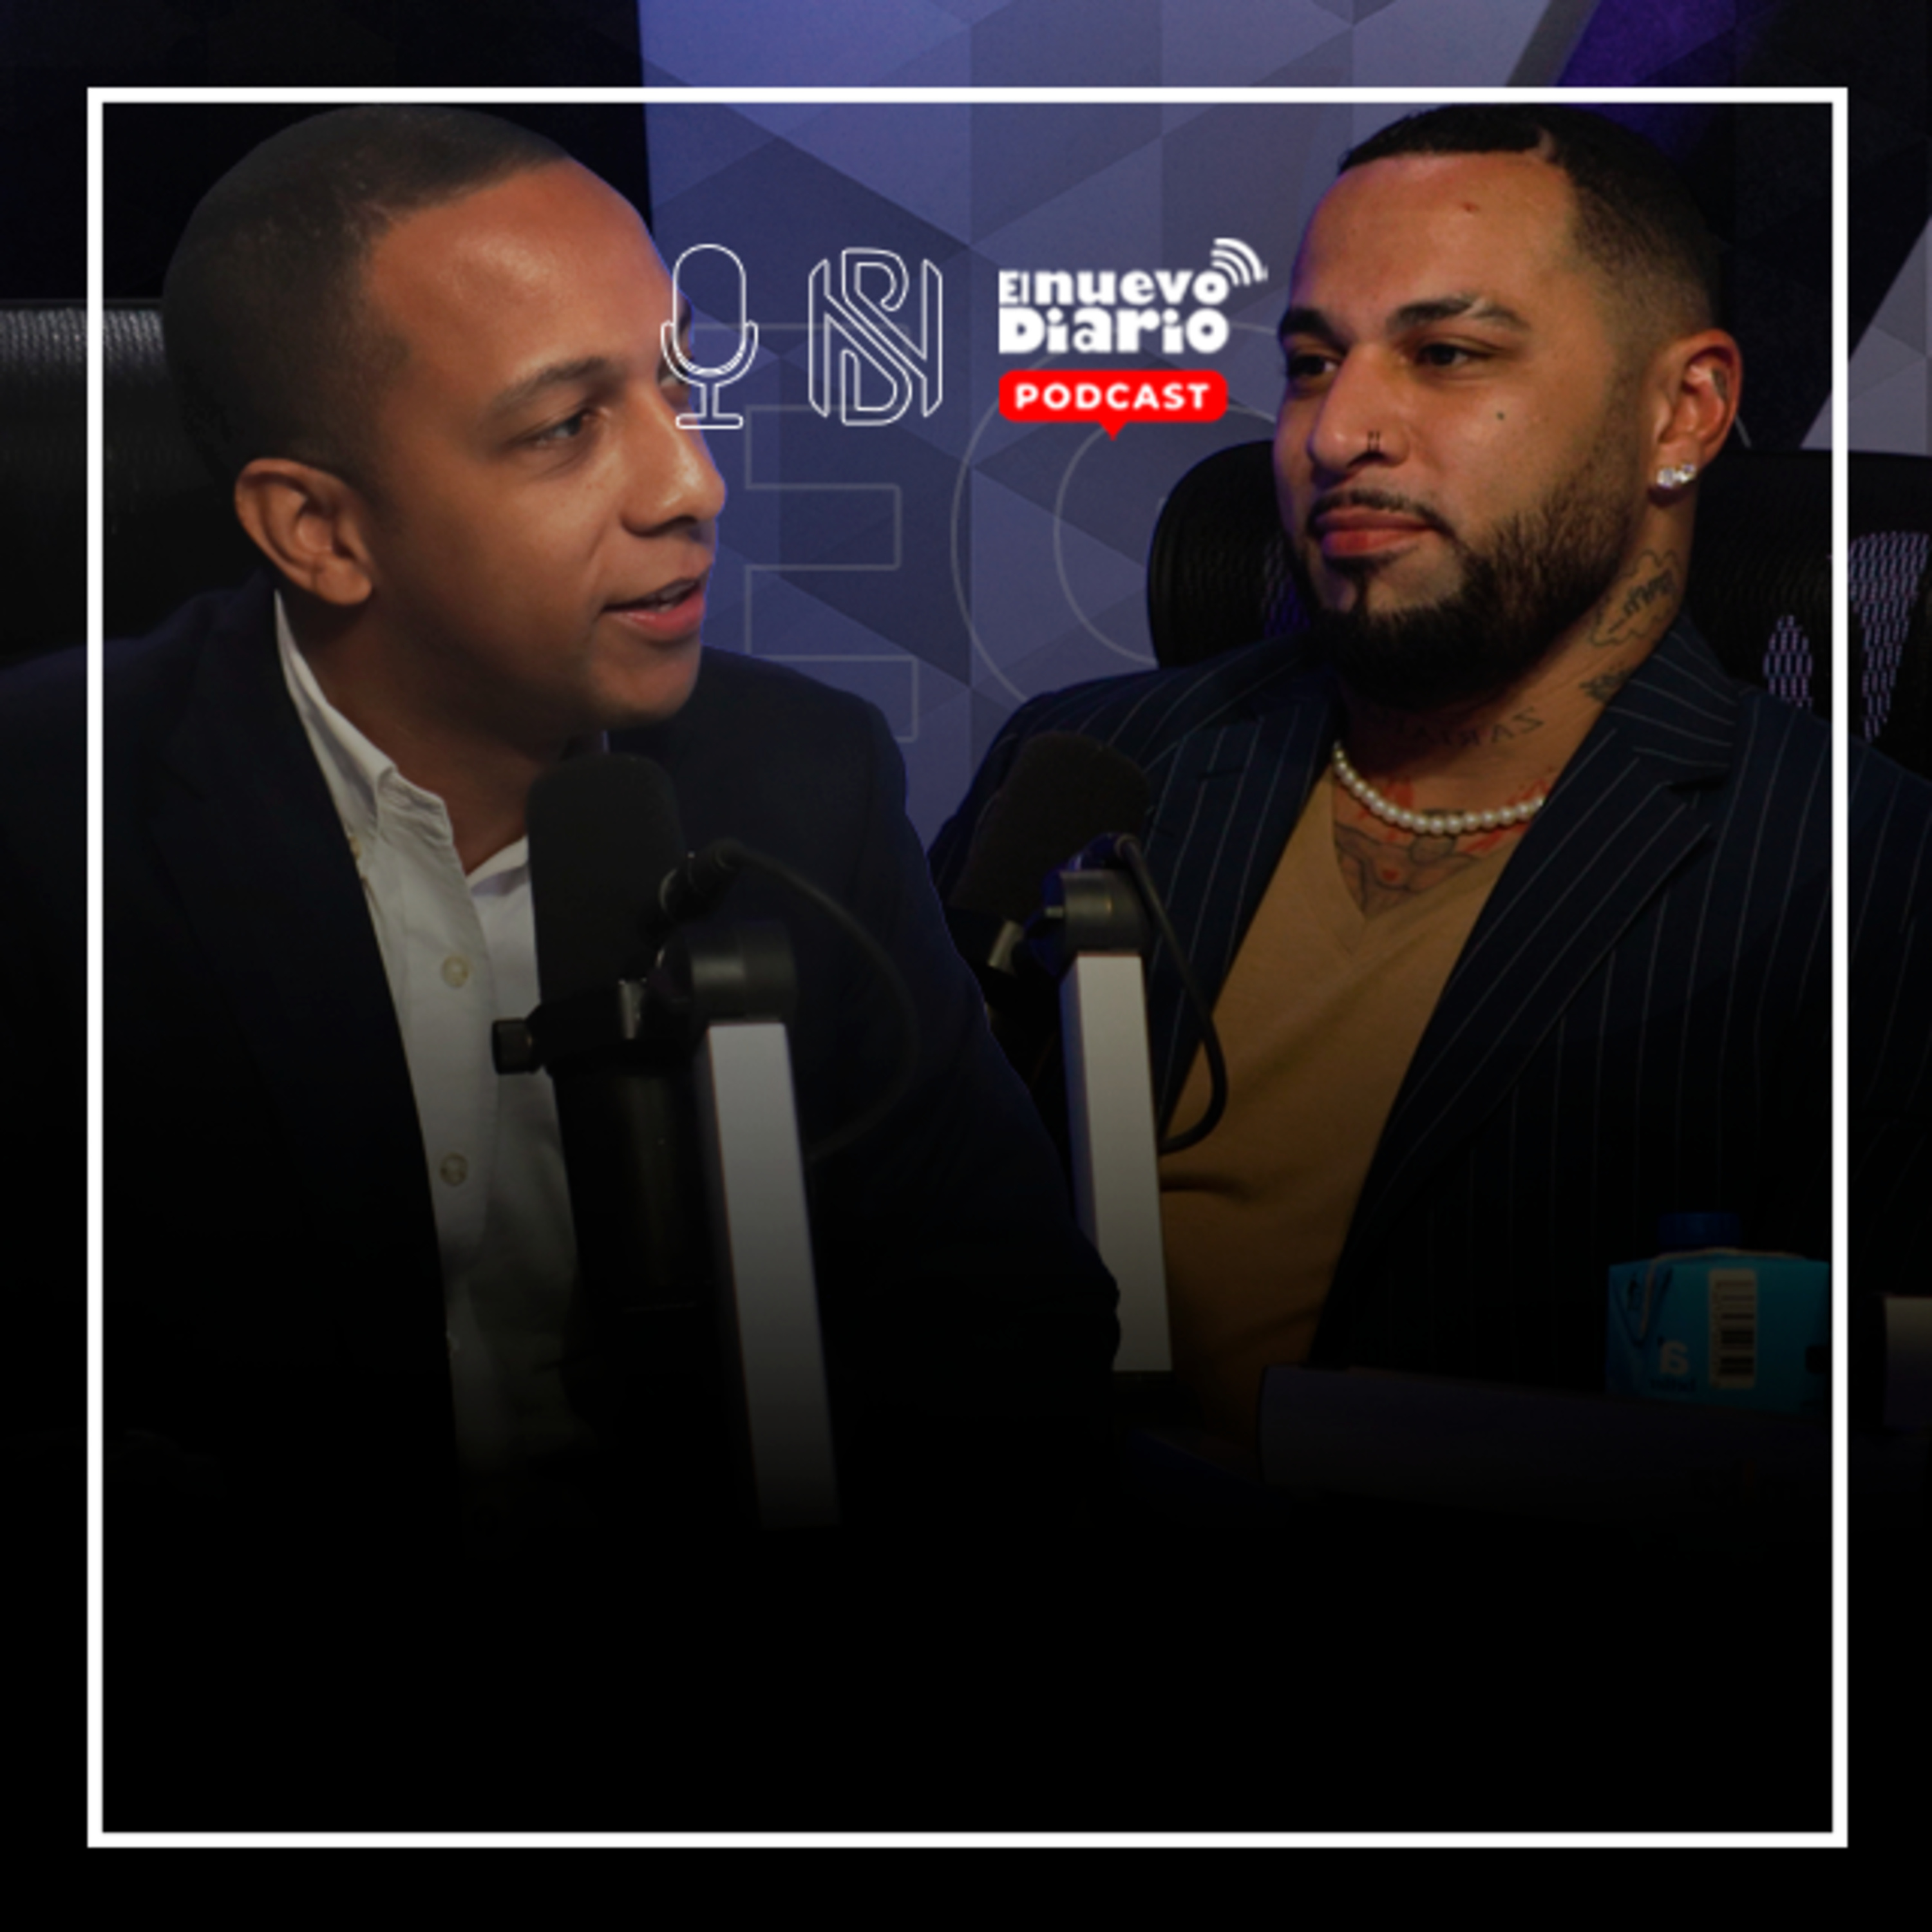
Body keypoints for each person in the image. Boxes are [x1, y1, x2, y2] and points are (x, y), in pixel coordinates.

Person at [0, 107, 1119, 1595]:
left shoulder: (806, 779)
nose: (690, 484)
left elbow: (1012, 1328)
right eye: (565, 428)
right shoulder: (48, 816)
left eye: (675, 386)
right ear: (318, 530)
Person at [933, 105, 1930, 1458]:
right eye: (1310, 364)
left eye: (1447, 355)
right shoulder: (1093, 774)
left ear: (1683, 411)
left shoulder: (1865, 876)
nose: (1338, 430)